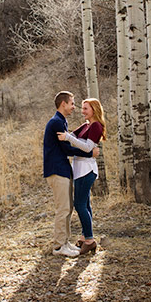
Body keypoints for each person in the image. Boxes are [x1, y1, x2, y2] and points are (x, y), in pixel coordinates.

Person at [43, 91, 98, 257]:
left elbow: (69, 143)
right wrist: (90, 154)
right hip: (56, 170)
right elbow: (66, 148)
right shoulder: (56, 122)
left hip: (63, 170)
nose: (74, 107)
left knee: (67, 208)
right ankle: (59, 246)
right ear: (63, 104)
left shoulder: (62, 121)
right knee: (63, 209)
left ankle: (65, 242)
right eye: (72, 104)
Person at [57, 98, 106, 255]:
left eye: (86, 108)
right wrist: (65, 137)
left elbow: (87, 148)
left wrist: (69, 138)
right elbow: (70, 135)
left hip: (86, 170)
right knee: (85, 204)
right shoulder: (86, 125)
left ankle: (90, 240)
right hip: (79, 169)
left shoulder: (96, 126)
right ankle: (86, 237)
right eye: (82, 108)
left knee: (79, 205)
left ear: (94, 110)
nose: (82, 111)